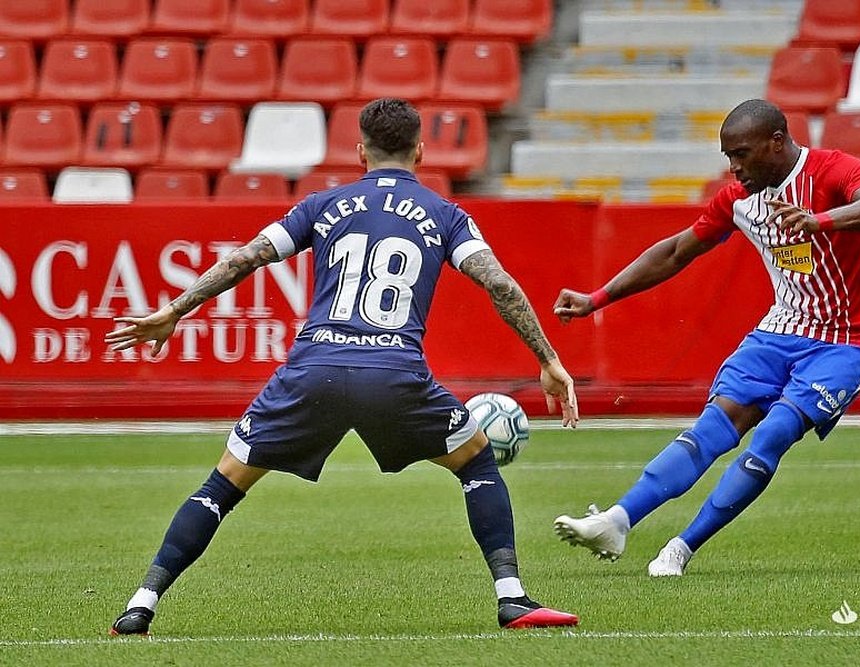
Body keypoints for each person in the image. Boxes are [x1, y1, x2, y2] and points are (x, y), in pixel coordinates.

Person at [106, 97, 580, 635]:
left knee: (225, 483)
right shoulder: (447, 215)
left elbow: (244, 258)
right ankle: (512, 597)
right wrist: (548, 360)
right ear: (421, 150)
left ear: (360, 151)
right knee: (475, 462)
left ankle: (141, 604)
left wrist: (173, 311)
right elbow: (499, 284)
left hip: (315, 369)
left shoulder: (322, 205)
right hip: (394, 374)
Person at [552, 99, 860, 576]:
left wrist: (820, 221)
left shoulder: (834, 170)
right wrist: (598, 298)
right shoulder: (738, 199)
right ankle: (618, 520)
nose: (734, 168)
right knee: (713, 426)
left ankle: (681, 547)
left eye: (741, 154)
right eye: (728, 157)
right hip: (783, 327)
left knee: (775, 431)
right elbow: (676, 251)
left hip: (850, 338)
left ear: (777, 143)